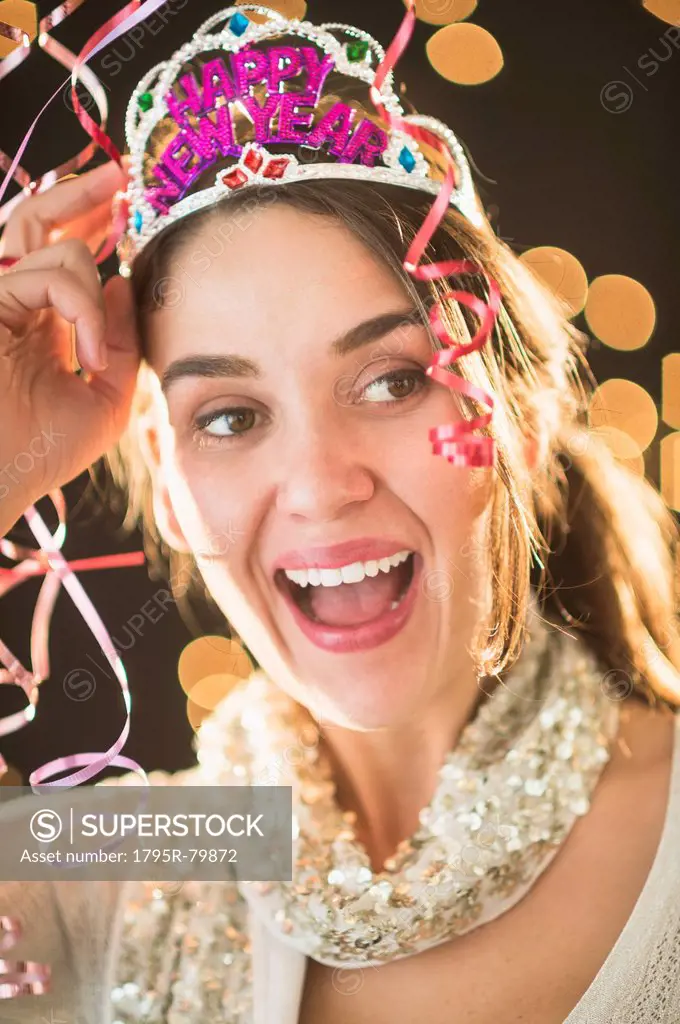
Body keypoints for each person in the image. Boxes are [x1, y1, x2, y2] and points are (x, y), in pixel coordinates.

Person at [1, 5, 680, 1023]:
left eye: (390, 382)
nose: (320, 484)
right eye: (229, 416)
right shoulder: (112, 856)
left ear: (519, 418)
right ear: (168, 478)